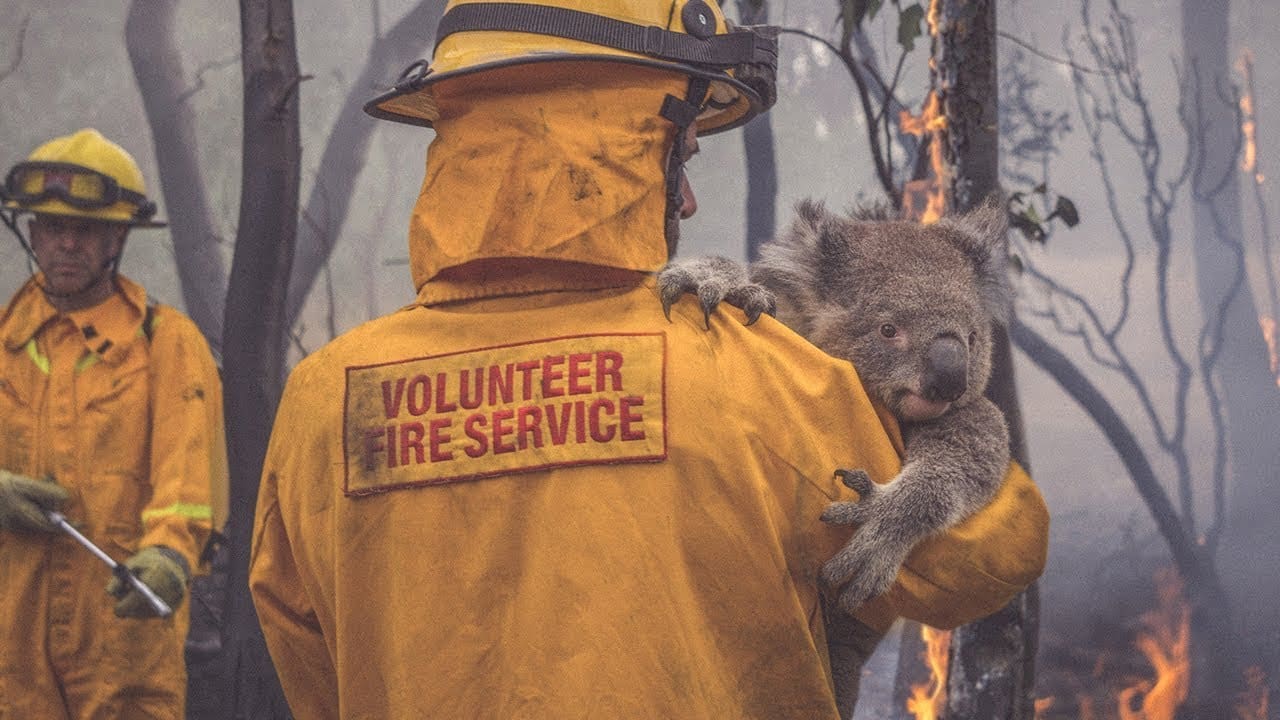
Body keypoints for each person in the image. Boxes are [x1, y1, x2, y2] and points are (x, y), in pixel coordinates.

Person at [249, 1, 1049, 717]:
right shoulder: (756, 375)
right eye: (685, 152)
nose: (691, 199)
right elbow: (987, 559)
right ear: (620, 137)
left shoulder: (323, 400)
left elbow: (311, 663)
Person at [0, 128, 227, 718]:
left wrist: (170, 555)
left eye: (87, 229)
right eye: (52, 227)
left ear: (116, 238)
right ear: (31, 232)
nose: (67, 244)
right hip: (10, 645)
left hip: (124, 639)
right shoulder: (4, 343)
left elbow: (188, 476)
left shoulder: (164, 343)